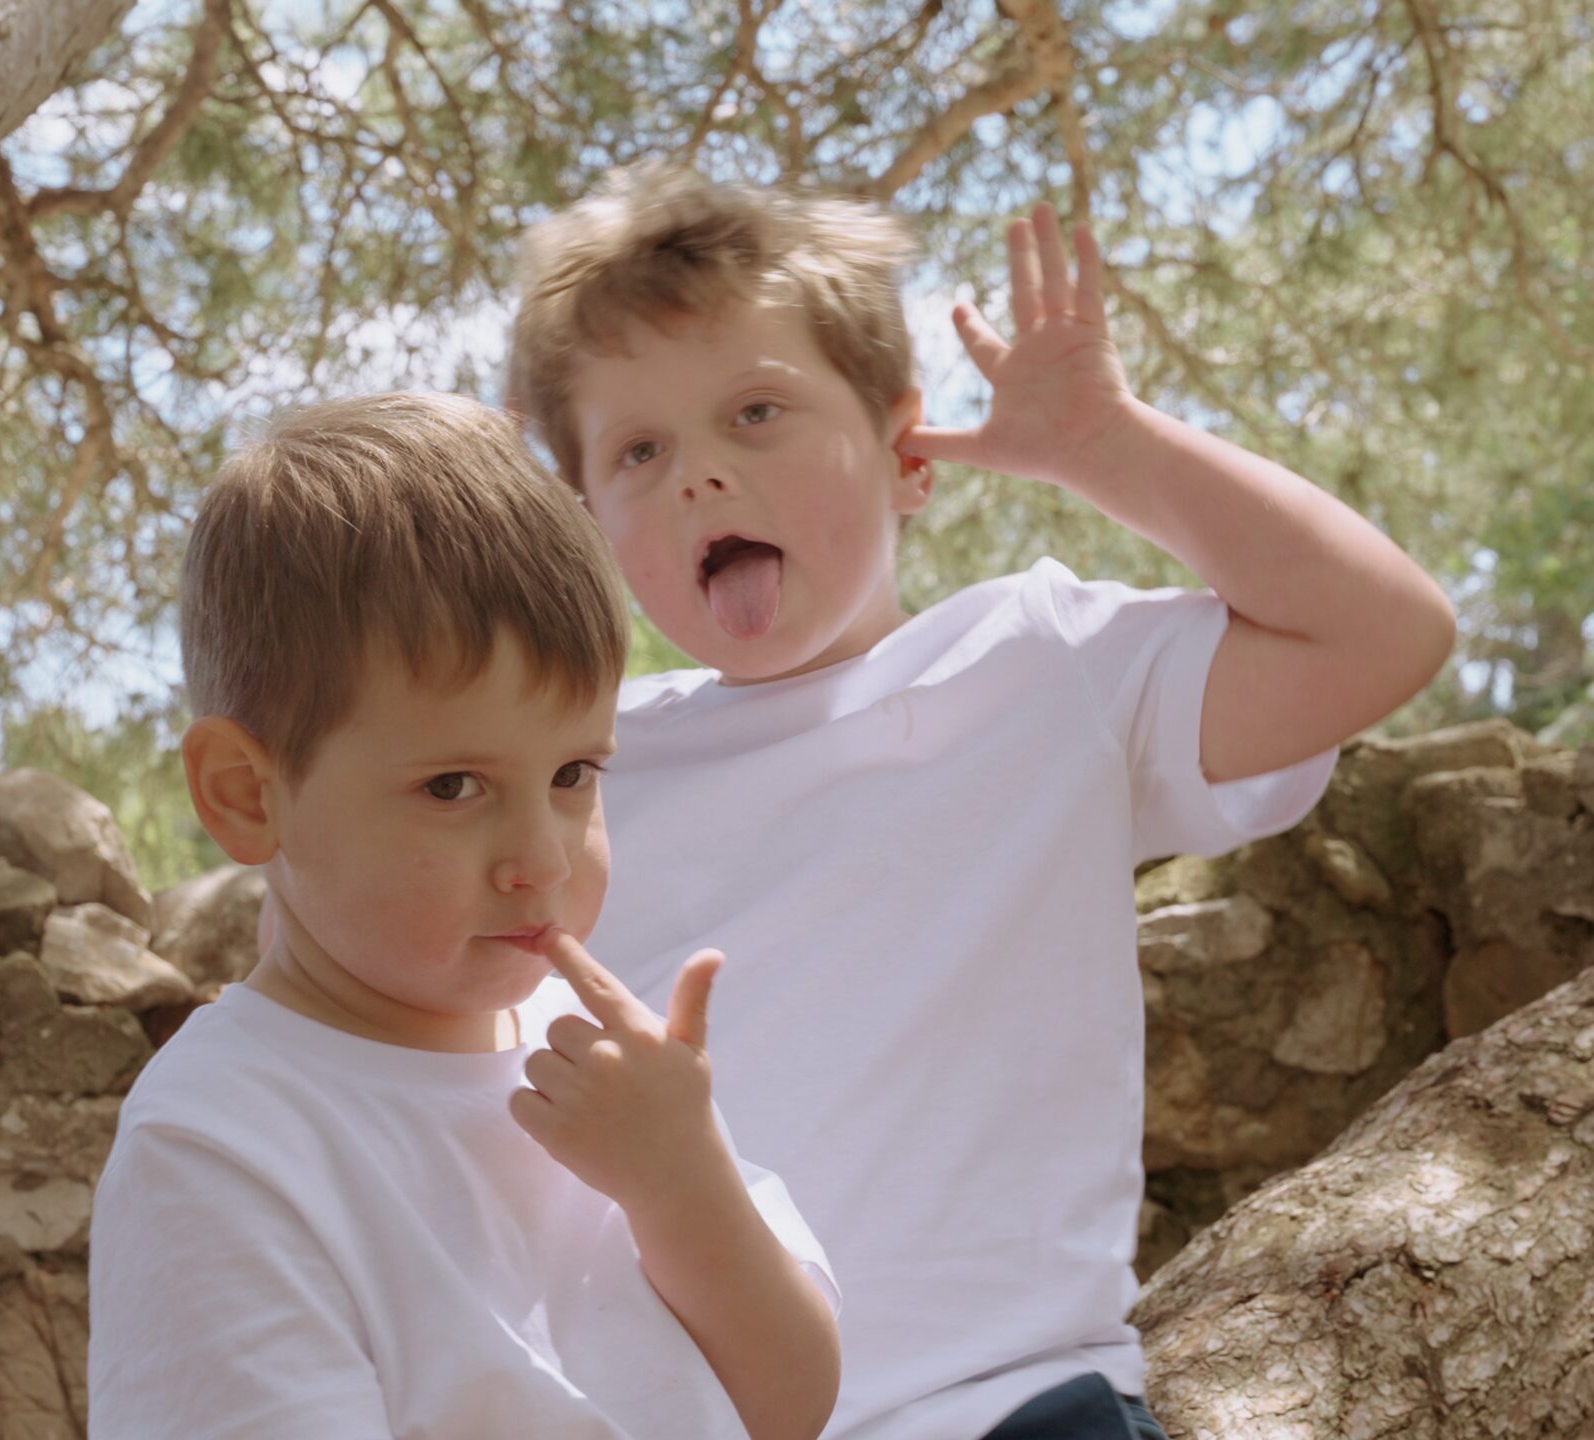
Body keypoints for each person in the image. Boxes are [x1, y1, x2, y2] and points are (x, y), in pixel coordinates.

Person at [503, 165, 1457, 1439]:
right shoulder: (576, 775)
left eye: (756, 413)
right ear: (587, 527)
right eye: (639, 450)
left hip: (1002, 1406)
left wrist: (1108, 447)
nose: (699, 478)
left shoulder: (1036, 664)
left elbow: (1381, 633)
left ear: (907, 454)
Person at [85, 391, 841, 1440]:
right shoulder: (221, 1143)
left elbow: (793, 1401)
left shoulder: (609, 1080)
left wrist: (685, 1188)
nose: (541, 858)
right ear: (249, 796)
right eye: (453, 787)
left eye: (574, 772)